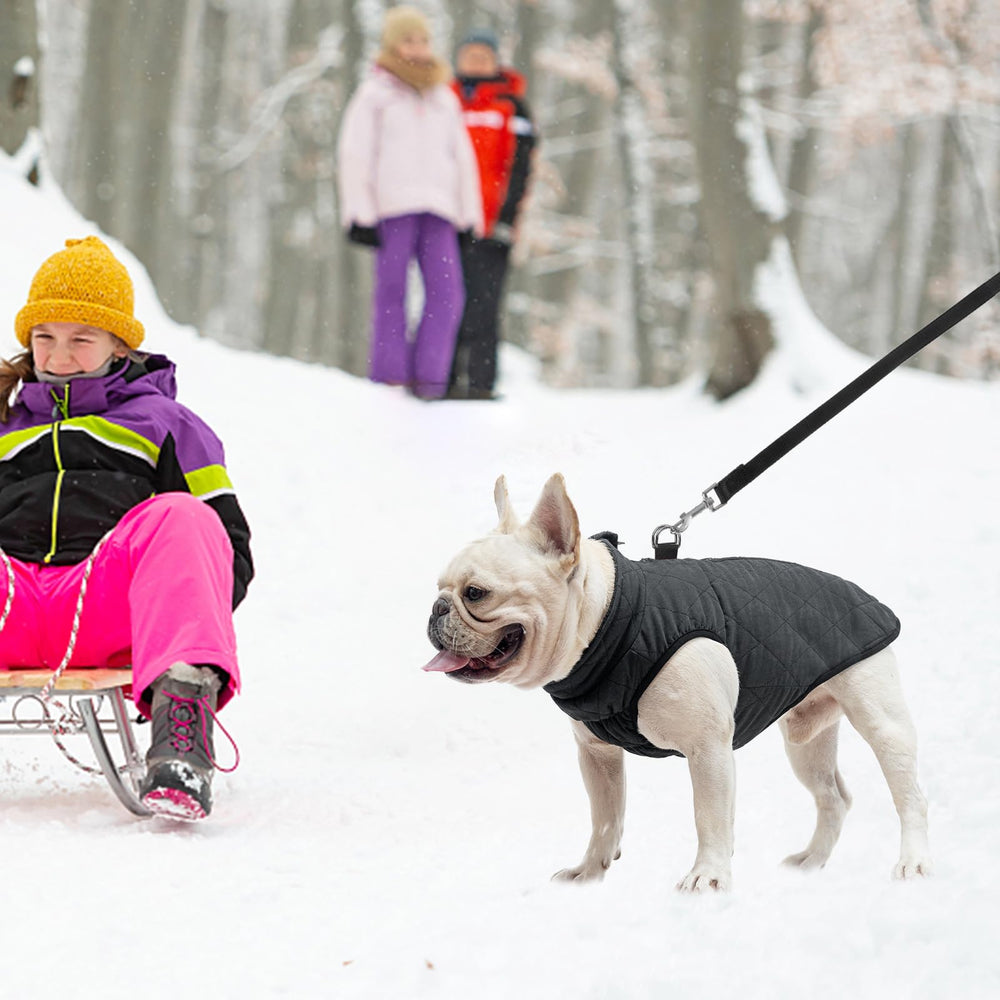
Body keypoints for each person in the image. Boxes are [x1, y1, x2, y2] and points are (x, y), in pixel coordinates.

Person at [0, 236, 254, 821]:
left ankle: (182, 737)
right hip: (12, 604)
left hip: (104, 606)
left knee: (187, 515)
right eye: (45, 338)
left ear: (118, 344)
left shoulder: (166, 425)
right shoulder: (6, 422)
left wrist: (170, 618)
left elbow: (225, 552)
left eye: (81, 340)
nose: (60, 357)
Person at [337, 5, 483, 400]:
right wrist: (359, 213)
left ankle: (431, 381)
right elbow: (355, 153)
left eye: (422, 40)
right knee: (391, 290)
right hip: (392, 207)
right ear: (392, 44)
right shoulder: (375, 93)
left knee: (448, 292)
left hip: (440, 209)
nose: (416, 47)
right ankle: (390, 377)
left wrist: (471, 215)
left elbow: (462, 157)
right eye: (408, 39)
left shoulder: (444, 96)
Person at [448, 28, 537, 400]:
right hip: (448, 221)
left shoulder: (512, 106)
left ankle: (482, 384)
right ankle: (442, 379)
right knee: (446, 302)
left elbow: (520, 167)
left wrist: (506, 220)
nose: (476, 62)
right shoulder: (442, 101)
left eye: (484, 56)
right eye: (470, 54)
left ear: (496, 61)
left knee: (484, 303)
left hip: (491, 225)